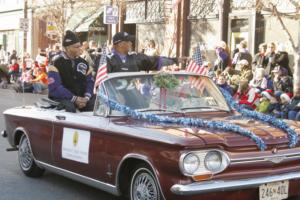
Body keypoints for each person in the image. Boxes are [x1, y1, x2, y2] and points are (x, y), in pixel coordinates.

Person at [48, 30, 95, 112]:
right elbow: (55, 87)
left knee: (97, 105)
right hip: (63, 98)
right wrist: (74, 98)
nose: (80, 49)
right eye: (76, 47)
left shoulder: (83, 62)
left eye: (80, 46)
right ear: (68, 48)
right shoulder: (56, 62)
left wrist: (86, 98)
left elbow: (90, 82)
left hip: (82, 98)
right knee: (69, 108)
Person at [106, 32, 177, 73]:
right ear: (120, 44)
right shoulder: (108, 59)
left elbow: (153, 61)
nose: (131, 43)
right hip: (113, 97)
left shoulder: (135, 57)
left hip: (132, 95)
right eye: (128, 41)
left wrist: (174, 60)